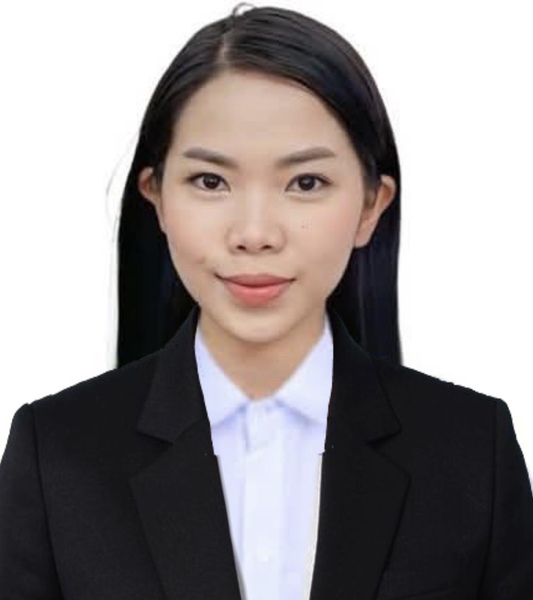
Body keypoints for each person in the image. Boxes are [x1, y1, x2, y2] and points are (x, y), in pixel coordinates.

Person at [1, 3, 532, 599]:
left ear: (370, 207)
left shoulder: (471, 450)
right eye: (210, 181)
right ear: (157, 197)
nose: (254, 233)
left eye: (306, 183)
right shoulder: (57, 453)